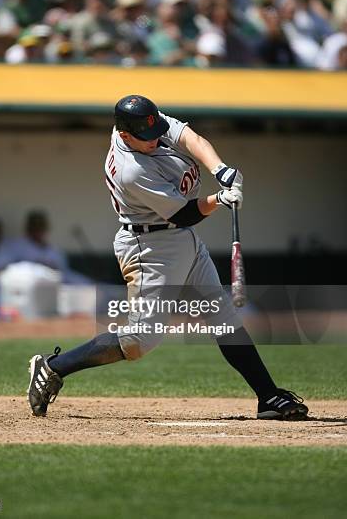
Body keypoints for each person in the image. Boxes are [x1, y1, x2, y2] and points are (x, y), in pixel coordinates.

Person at [27, 95, 309, 421]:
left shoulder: (146, 123)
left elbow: (191, 138)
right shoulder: (132, 170)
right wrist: (219, 198)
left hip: (180, 240)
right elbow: (186, 214)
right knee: (139, 341)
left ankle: (268, 396)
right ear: (125, 136)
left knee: (223, 316)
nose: (156, 139)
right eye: (146, 138)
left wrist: (221, 169)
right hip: (150, 249)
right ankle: (52, 367)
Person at [11, 210, 89, 285]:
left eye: (41, 227)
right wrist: (39, 265)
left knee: (85, 283)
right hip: (32, 284)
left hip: (57, 282)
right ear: (28, 228)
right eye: (35, 227)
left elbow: (62, 269)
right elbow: (13, 270)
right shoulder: (18, 246)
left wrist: (52, 267)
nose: (38, 230)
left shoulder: (53, 250)